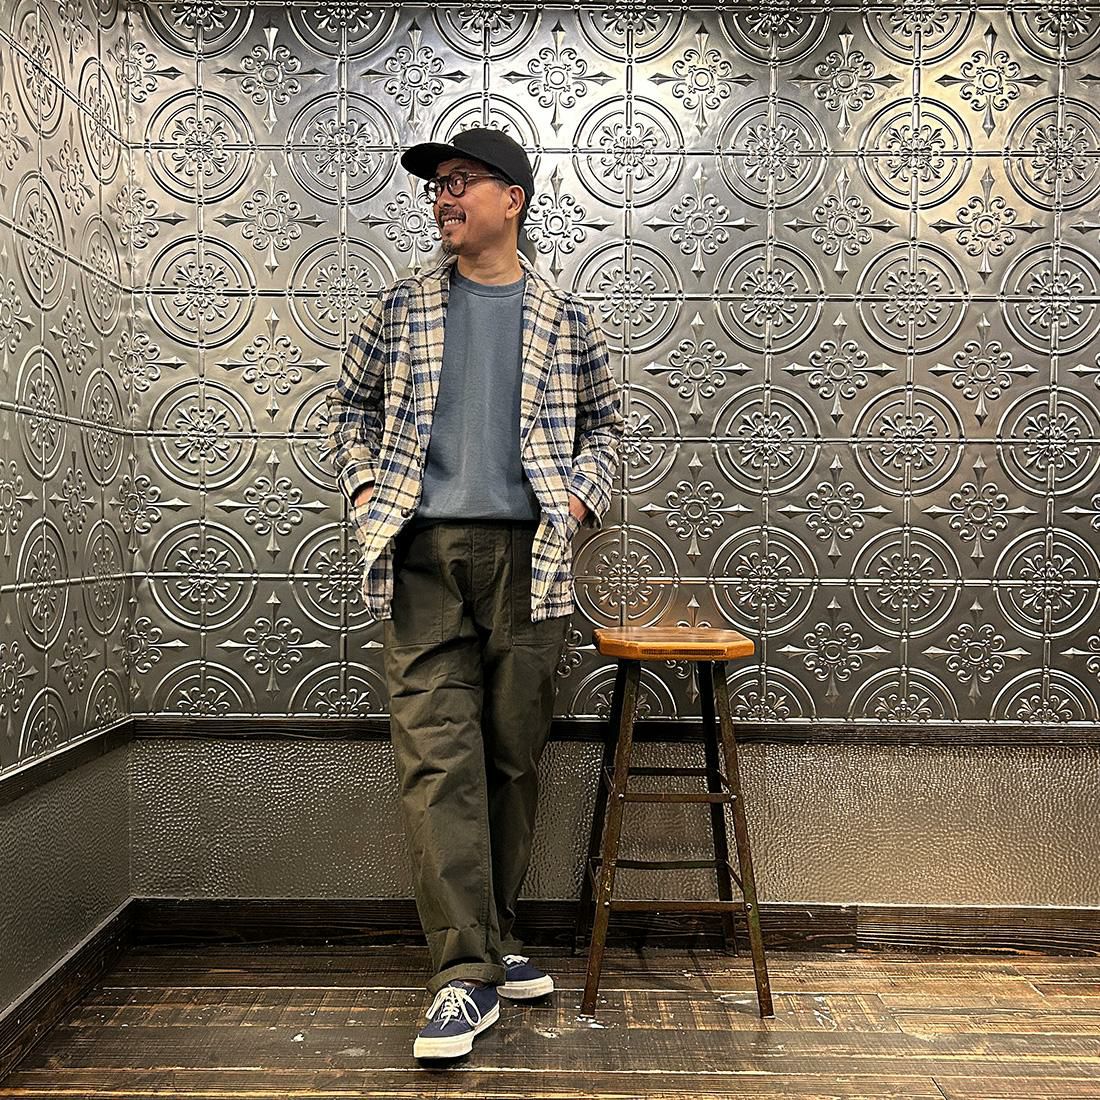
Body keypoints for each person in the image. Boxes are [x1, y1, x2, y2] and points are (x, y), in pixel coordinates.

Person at [322, 127, 624, 1061]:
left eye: (460, 181)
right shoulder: (398, 307)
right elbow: (350, 410)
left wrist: (578, 498)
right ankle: (461, 974)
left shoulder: (566, 320)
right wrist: (366, 489)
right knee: (435, 759)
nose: (443, 197)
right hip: (422, 559)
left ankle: (492, 937)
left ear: (512, 199)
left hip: (531, 559)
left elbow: (608, 427)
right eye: (437, 186)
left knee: (509, 758)